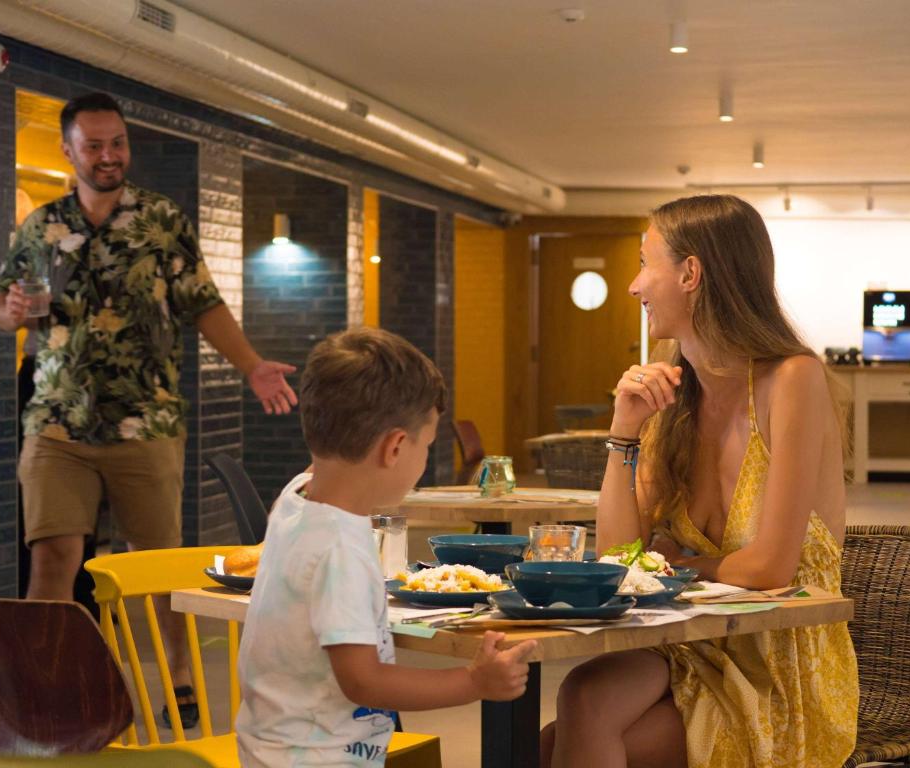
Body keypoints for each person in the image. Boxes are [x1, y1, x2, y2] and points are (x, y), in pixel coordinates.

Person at [0, 92, 298, 728]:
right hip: (56, 422)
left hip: (145, 421)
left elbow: (203, 302)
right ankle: (41, 691)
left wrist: (252, 365)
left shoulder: (161, 219)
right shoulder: (40, 226)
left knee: (154, 561)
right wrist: (8, 311)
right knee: (51, 559)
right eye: (94, 146)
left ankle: (178, 680)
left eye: (118, 143)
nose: (109, 156)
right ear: (68, 150)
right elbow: (0, 304)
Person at [541, 195, 859, 768]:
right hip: (691, 640)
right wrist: (624, 432)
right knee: (580, 695)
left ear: (691, 273)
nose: (634, 286)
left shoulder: (793, 378)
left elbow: (770, 568)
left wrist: (678, 563)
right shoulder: (675, 392)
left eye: (645, 263)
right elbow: (619, 556)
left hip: (778, 665)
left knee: (559, 744)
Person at [236, 327, 536, 767]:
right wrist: (474, 682)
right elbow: (364, 682)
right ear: (395, 446)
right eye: (426, 446)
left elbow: (334, 453)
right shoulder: (341, 550)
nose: (423, 460)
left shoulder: (296, 496)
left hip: (270, 748)